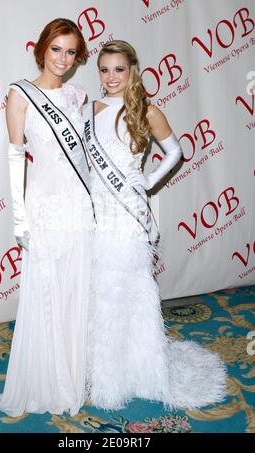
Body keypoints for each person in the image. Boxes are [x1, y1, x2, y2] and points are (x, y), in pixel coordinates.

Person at [83, 40, 227, 410]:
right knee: (99, 290)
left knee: (128, 290)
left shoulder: (146, 110)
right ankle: (101, 370)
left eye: (119, 69)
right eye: (104, 69)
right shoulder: (86, 111)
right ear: (98, 72)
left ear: (132, 70)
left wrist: (147, 182)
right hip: (95, 211)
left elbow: (176, 151)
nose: (111, 77)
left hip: (127, 215)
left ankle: (137, 370)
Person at [0, 18, 94, 417]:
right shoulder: (20, 94)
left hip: (78, 207)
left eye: (71, 52)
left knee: (76, 290)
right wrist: (20, 218)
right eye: (57, 49)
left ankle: (72, 372)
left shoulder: (79, 96)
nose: (63, 59)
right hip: (45, 207)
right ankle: (47, 378)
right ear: (42, 48)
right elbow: (17, 158)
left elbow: (84, 159)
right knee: (47, 293)